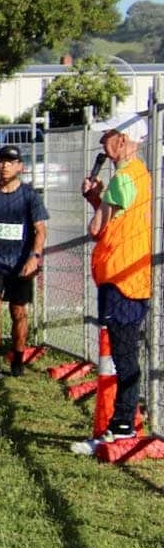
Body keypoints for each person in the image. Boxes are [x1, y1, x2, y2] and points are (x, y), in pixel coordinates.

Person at [80, 113, 152, 446]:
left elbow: (97, 228)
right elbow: (113, 221)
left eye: (106, 135)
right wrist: (99, 200)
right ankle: (122, 421)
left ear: (122, 140)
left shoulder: (123, 178)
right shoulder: (140, 175)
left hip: (120, 276)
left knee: (122, 354)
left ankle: (123, 423)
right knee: (124, 352)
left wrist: (94, 199)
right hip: (132, 275)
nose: (101, 142)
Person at [0, 145, 48, 380]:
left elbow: (40, 230)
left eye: (10, 161)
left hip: (20, 262)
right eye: (1, 161)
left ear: (20, 167)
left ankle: (18, 358)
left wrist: (34, 257)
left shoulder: (29, 196)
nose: (5, 165)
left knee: (18, 311)